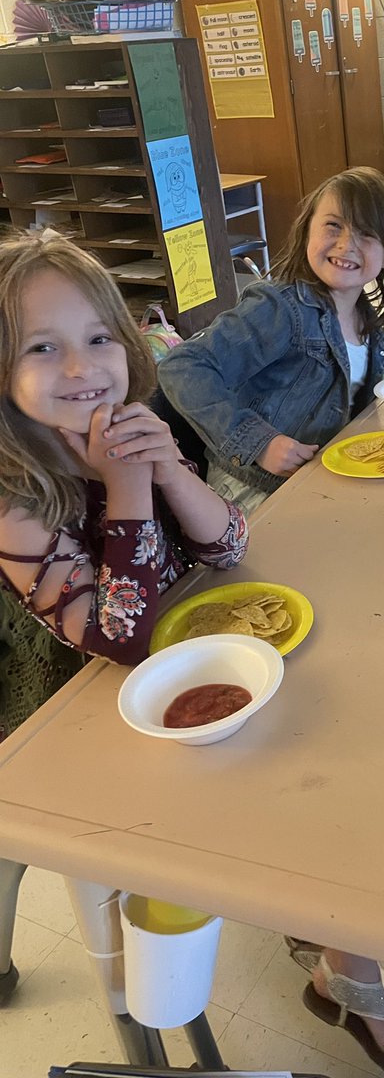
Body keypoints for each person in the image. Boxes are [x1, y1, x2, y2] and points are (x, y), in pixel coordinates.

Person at [0, 229, 249, 1003]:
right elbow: (121, 638)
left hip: (169, 680)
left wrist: (168, 468)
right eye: (42, 348)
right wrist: (128, 483)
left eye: (98, 338)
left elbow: (229, 546)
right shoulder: (15, 496)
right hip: (64, 712)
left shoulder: (127, 426)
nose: (82, 368)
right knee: (18, 849)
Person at [158, 166, 384, 514]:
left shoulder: (369, 325)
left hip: (318, 479)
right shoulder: (280, 308)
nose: (345, 244)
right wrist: (260, 443)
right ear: (308, 231)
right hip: (251, 488)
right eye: (333, 225)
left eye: (366, 234)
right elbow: (182, 366)